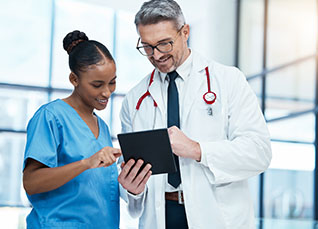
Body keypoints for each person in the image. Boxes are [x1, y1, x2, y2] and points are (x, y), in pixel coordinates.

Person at [117, 0, 272, 228]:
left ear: (185, 32)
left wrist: (198, 150)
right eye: (147, 47)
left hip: (215, 215)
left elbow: (259, 152)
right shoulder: (135, 98)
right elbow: (130, 177)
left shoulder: (228, 81)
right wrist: (132, 188)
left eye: (164, 44)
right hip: (160, 216)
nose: (156, 55)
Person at [22, 30, 121, 229]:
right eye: (97, 84)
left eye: (112, 82)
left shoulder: (102, 126)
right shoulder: (50, 117)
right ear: (74, 79)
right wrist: (86, 163)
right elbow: (31, 182)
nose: (106, 92)